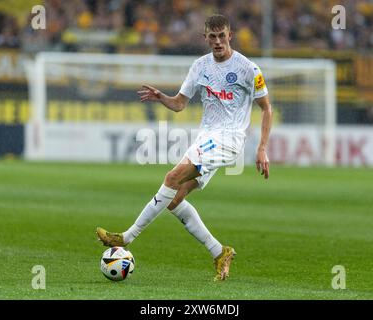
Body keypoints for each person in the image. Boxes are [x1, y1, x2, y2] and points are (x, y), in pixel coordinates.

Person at [97, 14, 273, 281]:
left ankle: (126, 236)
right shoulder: (200, 66)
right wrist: (161, 98)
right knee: (175, 200)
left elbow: (266, 108)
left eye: (222, 36)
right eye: (212, 37)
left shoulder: (249, 69)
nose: (217, 42)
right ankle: (220, 252)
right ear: (205, 38)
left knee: (171, 177)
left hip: (229, 139)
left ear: (230, 36)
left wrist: (262, 148)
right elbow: (180, 104)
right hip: (206, 139)